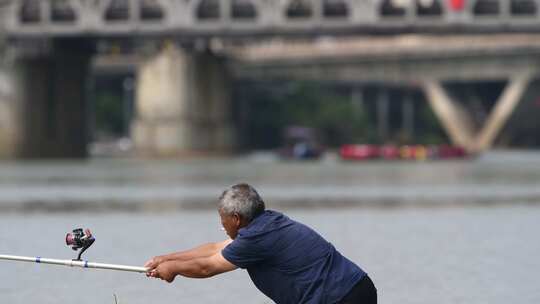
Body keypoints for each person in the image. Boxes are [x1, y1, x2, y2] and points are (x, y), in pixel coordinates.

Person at [145, 183, 377, 304]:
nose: (222, 225)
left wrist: (174, 270)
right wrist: (167, 259)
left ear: (236, 219)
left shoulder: (257, 237)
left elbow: (208, 267)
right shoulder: (265, 224)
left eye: (222, 219)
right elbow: (216, 249)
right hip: (353, 289)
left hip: (342, 297)